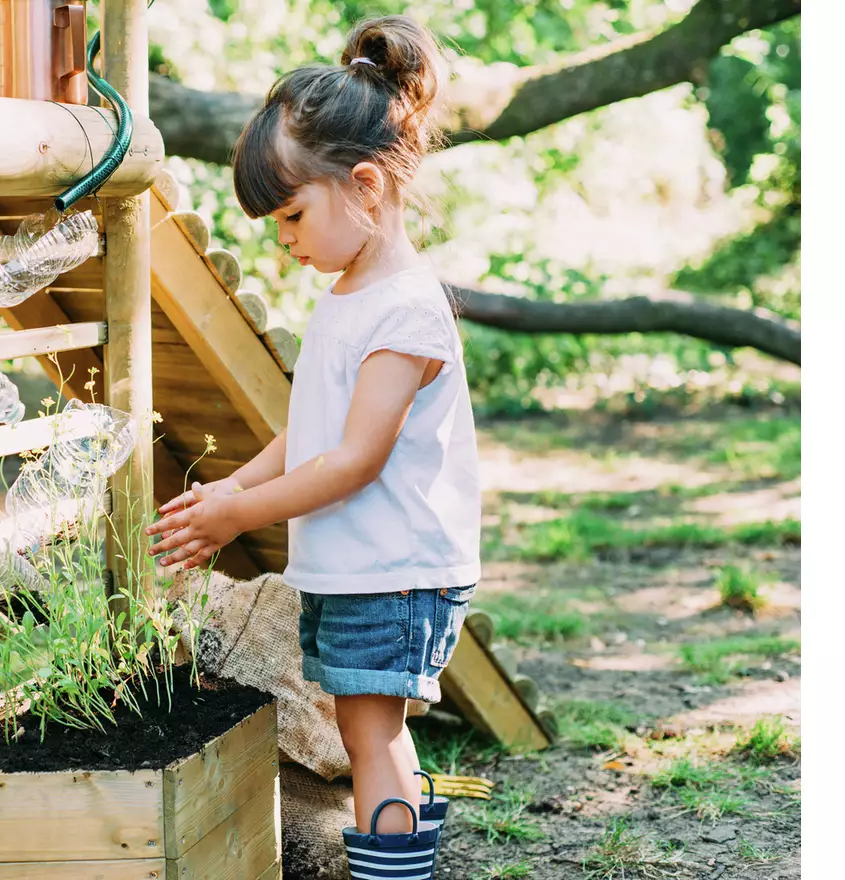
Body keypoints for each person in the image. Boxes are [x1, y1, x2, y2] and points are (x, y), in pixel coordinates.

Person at [144, 13, 480, 874]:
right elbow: (310, 434)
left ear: (366, 186)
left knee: (372, 739)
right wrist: (228, 492)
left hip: (395, 573)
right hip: (359, 568)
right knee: (365, 732)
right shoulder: (347, 296)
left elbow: (354, 460)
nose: (284, 240)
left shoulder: (404, 309)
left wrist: (237, 516)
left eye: (291, 216)